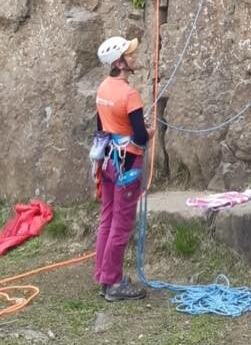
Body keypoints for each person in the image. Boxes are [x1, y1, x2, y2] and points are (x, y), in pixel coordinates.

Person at [93, 35, 150, 302]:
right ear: (120, 62)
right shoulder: (130, 95)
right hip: (126, 164)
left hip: (106, 161)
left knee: (107, 218)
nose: (134, 57)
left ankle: (103, 276)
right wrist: (149, 132)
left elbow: (101, 126)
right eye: (130, 54)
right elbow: (139, 136)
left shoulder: (103, 88)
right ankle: (113, 282)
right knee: (121, 223)